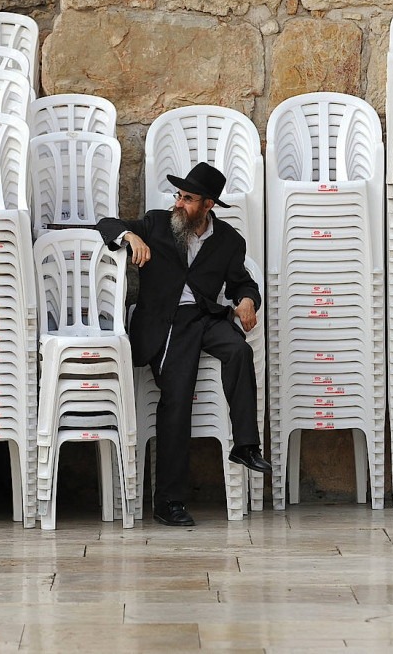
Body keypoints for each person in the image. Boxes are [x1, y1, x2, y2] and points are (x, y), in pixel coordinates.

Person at [96, 161, 271, 527]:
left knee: (239, 350)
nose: (178, 203)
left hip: (206, 317)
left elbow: (241, 282)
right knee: (177, 396)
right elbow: (106, 224)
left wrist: (247, 300)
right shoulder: (158, 223)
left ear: (208, 205)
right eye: (179, 195)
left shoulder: (229, 241)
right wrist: (130, 237)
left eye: (188, 198)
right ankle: (169, 502)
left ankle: (245, 445)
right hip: (167, 321)